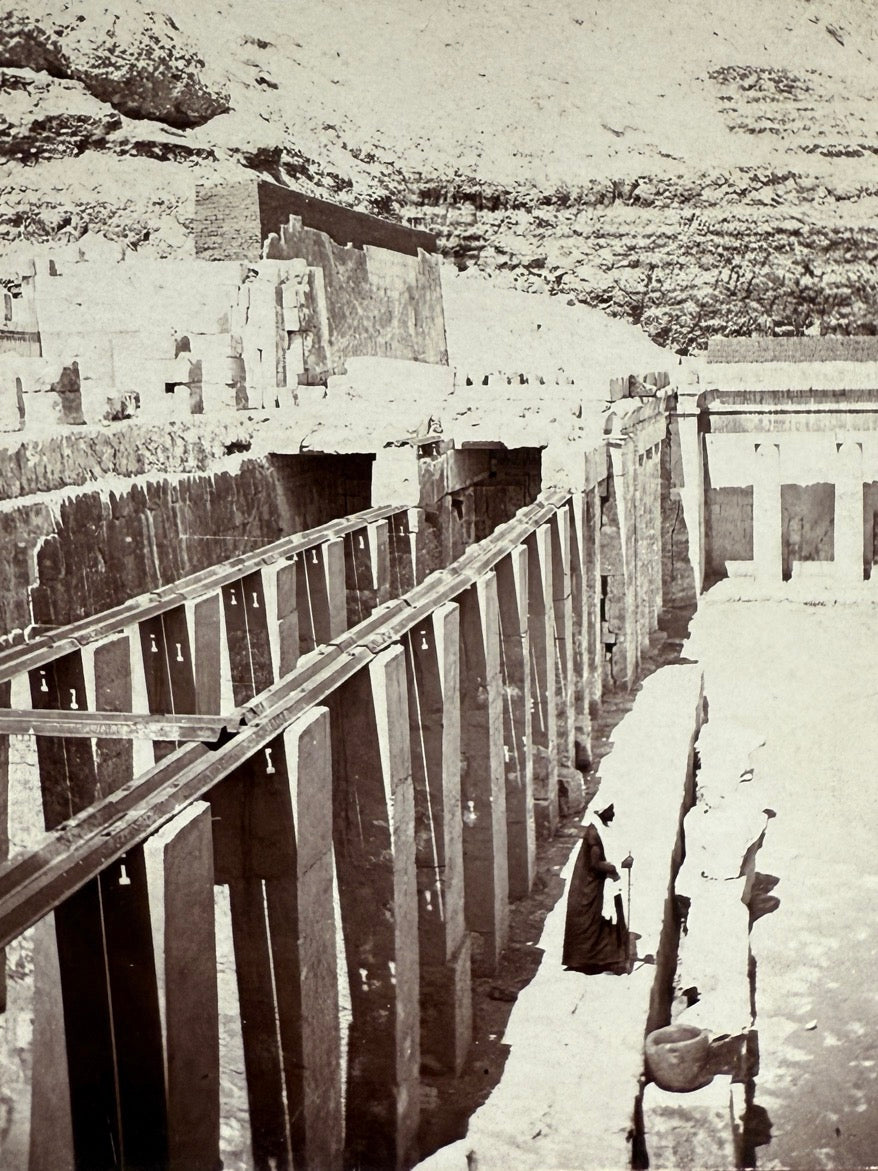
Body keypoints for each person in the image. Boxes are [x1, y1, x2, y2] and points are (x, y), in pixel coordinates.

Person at [562, 802, 632, 974]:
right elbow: (595, 864)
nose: (613, 814)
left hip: (600, 882)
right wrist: (615, 868)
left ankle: (611, 958)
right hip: (592, 886)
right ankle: (605, 960)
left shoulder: (600, 829)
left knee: (613, 918)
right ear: (603, 812)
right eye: (611, 811)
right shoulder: (594, 834)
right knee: (603, 920)